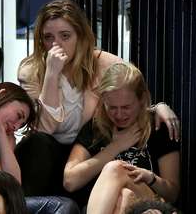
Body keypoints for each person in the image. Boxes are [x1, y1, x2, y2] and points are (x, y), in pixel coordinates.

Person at [15, 0, 180, 197]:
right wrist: (51, 74)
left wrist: (158, 107)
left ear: (81, 36)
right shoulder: (30, 70)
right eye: (48, 37)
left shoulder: (106, 63)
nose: (55, 44)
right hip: (49, 153)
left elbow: (129, 96)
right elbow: (43, 128)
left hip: (88, 148)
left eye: (65, 36)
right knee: (37, 143)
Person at [60, 62, 180, 214]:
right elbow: (70, 181)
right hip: (109, 207)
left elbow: (172, 194)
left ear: (142, 99)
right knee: (124, 197)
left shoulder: (157, 127)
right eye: (112, 107)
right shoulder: (96, 128)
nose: (119, 115)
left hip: (151, 203)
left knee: (116, 168)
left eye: (126, 107)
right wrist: (115, 147)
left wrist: (151, 178)